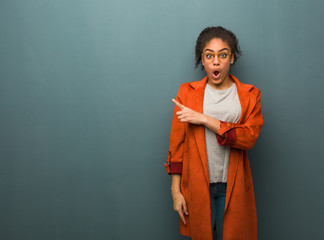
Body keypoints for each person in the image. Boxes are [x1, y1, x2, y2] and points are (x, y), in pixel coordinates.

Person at [164, 26, 263, 240]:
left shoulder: (249, 95)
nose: (215, 61)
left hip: (233, 186)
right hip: (197, 186)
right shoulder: (187, 93)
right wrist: (175, 191)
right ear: (202, 59)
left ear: (232, 58)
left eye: (223, 55)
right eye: (209, 55)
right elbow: (177, 146)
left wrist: (204, 119)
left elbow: (248, 137)